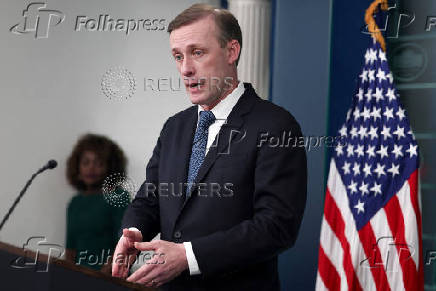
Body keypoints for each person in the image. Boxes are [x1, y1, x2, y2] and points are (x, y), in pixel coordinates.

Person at [112, 4, 307, 290]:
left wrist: (189, 256)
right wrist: (133, 233)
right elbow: (151, 197)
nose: (186, 68)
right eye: (178, 56)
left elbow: (277, 227)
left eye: (198, 52)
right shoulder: (174, 127)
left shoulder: (275, 125)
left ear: (231, 52)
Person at [65, 133, 128, 274]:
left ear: (110, 167)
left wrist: (101, 277)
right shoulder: (75, 202)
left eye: (98, 163)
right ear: (77, 167)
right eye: (86, 162)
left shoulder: (118, 196)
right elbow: (70, 249)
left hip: (110, 278)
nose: (91, 168)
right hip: (78, 278)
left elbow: (124, 245)